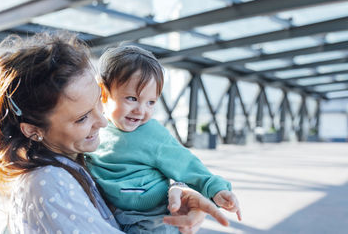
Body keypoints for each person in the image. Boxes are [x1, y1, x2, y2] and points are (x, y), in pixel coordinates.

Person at [0, 32, 233, 234]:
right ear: (33, 131)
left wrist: (177, 192)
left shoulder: (70, 159)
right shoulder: (48, 183)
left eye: (97, 104)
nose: (101, 122)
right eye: (82, 117)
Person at [86, 45, 242, 233]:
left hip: (152, 218)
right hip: (113, 213)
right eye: (132, 98)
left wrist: (216, 189)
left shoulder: (153, 134)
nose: (141, 110)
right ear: (103, 92)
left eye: (151, 102)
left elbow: (186, 164)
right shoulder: (95, 127)